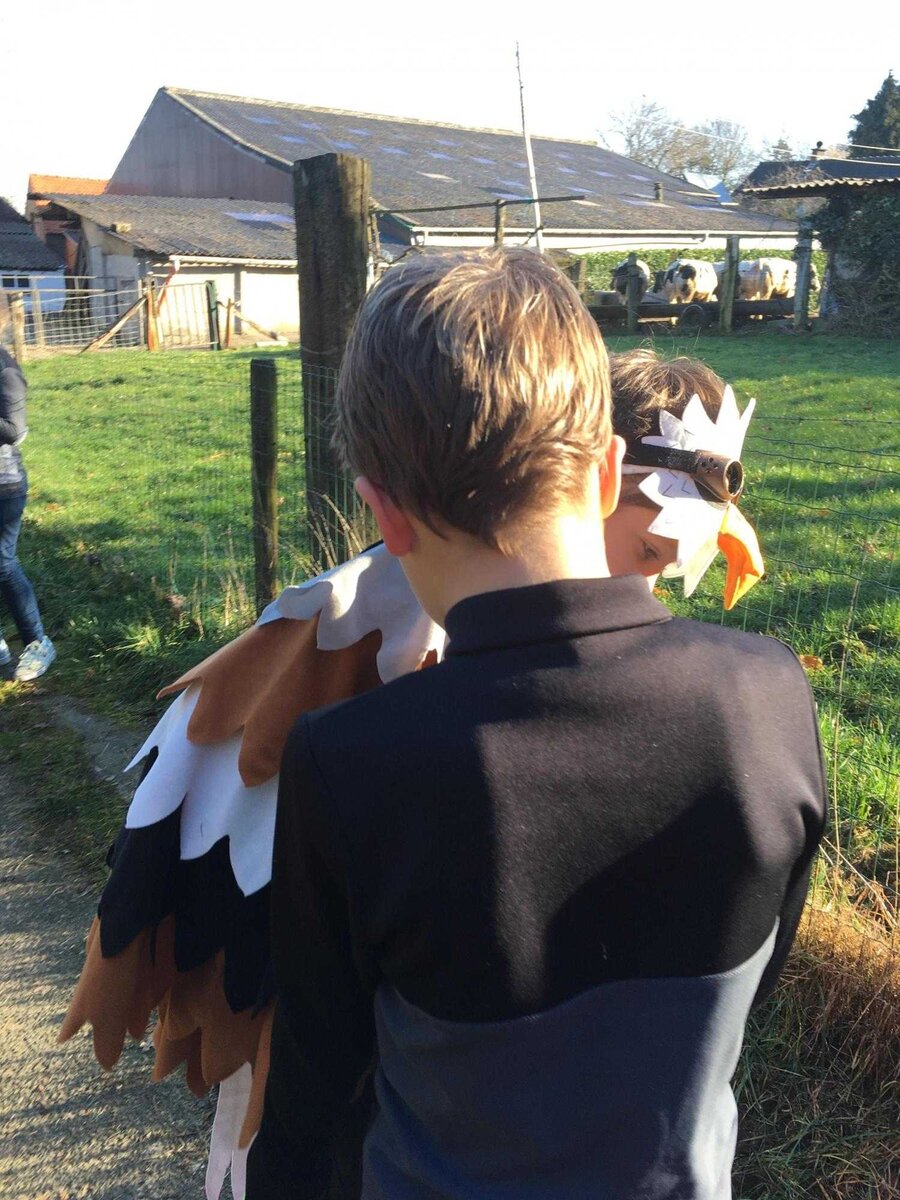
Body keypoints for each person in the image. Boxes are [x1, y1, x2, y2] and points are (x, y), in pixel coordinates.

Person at [60, 333, 768, 1200]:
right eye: (647, 556)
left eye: (666, 571)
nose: (642, 596)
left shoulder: (687, 690)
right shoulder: (349, 625)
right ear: (594, 478)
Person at [241, 249, 826, 1197]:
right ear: (608, 472)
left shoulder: (347, 762)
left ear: (384, 512)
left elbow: (316, 1092)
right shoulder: (770, 697)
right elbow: (751, 990)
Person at [0, 341, 56, 681]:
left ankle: (38, 643)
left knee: (3, 564)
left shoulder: (6, 371)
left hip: (4, 486)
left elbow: (14, 430)